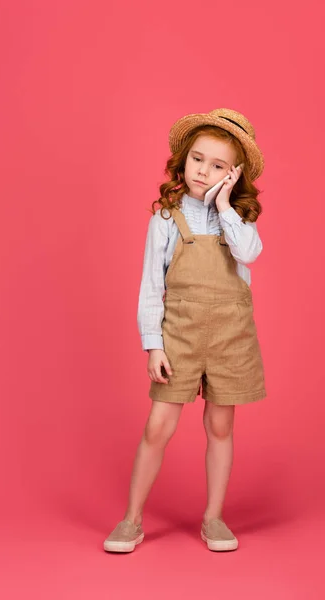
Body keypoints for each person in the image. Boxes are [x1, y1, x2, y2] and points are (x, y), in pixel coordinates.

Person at [104, 108, 267, 553]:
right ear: (183, 159)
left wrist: (222, 206)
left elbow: (250, 254)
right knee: (158, 426)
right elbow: (151, 289)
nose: (204, 170)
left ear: (233, 174)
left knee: (220, 425)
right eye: (198, 159)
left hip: (231, 334)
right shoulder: (165, 219)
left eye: (218, 165)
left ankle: (214, 518)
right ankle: (131, 519)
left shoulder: (238, 222)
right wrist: (153, 345)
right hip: (179, 335)